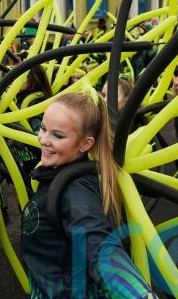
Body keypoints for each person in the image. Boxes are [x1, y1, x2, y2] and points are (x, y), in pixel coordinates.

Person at [21, 91, 154, 297]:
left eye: (58, 135)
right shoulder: (57, 174)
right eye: (43, 128)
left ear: (86, 144)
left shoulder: (74, 192)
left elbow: (100, 245)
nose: (44, 140)